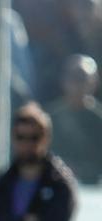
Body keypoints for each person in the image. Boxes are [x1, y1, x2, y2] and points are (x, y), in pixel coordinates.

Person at [47, 55, 102, 184]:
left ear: (94, 82)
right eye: (72, 77)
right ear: (63, 80)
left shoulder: (99, 119)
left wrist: (83, 170)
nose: (77, 84)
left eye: (82, 78)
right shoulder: (48, 118)